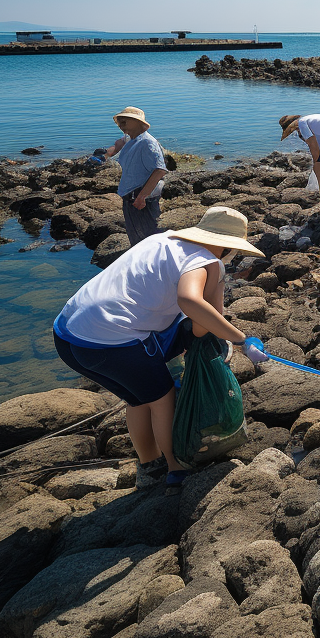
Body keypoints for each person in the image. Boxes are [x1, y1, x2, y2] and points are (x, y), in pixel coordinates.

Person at [53, 206, 268, 488]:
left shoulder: (161, 240)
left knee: (139, 398)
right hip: (111, 341)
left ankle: (149, 465)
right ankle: (174, 466)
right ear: (229, 245)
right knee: (162, 396)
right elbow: (193, 307)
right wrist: (241, 339)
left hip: (69, 335)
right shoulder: (207, 261)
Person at [99, 106, 168, 246]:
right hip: (131, 195)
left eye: (124, 122)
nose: (120, 126)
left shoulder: (147, 143)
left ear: (136, 122)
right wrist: (106, 155)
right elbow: (119, 143)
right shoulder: (132, 138)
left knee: (148, 240)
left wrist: (142, 196)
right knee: (137, 239)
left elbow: (160, 170)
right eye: (119, 123)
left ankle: (154, 265)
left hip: (141, 198)